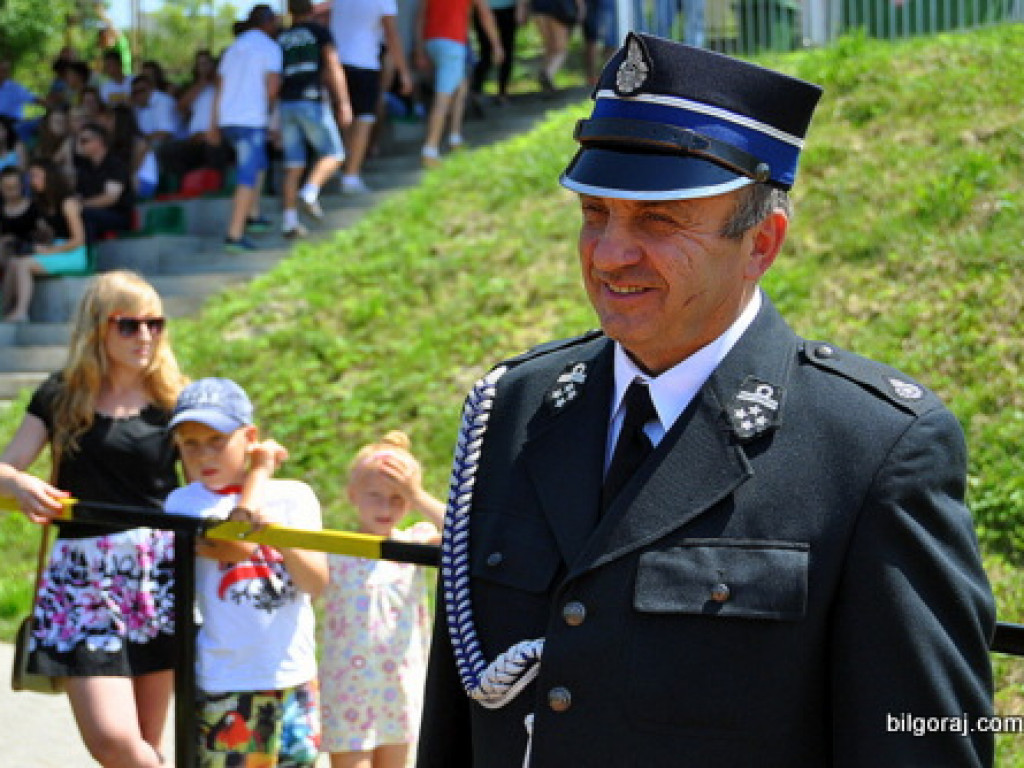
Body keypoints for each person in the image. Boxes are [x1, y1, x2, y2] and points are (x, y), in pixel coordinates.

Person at [416, 33, 996, 767]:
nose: (609, 253)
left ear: (762, 242)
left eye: (658, 221)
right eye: (596, 212)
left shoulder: (868, 451)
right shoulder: (518, 408)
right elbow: (454, 727)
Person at [0, 270, 185, 767]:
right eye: (129, 325)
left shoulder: (175, 400)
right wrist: (16, 483)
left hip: (157, 577)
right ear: (97, 328)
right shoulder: (62, 395)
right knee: (112, 739)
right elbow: (5, 466)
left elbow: (216, 476)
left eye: (155, 324)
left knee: (145, 747)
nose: (145, 336)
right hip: (83, 581)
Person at [164, 377, 328, 767]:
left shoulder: (295, 496)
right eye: (191, 444)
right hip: (227, 680)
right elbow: (238, 546)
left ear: (249, 436)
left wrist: (282, 539)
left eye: (217, 441)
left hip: (294, 674)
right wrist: (260, 475)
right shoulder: (185, 502)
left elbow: (316, 582)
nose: (205, 456)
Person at [320, 431, 444, 768]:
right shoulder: (334, 548)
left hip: (399, 686)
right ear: (352, 495)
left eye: (397, 498)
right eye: (374, 495)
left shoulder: (415, 541)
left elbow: (461, 532)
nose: (386, 507)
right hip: (347, 686)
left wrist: (417, 495)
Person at [209, 3, 283, 252]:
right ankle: (234, 234)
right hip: (250, 120)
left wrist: (213, 124)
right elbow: (272, 90)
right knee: (248, 174)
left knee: (260, 164)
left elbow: (219, 88)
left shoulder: (233, 49)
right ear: (269, 23)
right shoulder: (271, 48)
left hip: (228, 119)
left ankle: (253, 214)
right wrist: (273, 119)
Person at [277, 0, 353, 238]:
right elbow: (333, 64)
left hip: (286, 103)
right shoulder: (319, 32)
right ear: (310, 9)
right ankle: (310, 192)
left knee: (293, 165)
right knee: (335, 153)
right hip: (311, 100)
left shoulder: (281, 37)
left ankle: (289, 221)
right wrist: (343, 101)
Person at [330, 0, 414, 194]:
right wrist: (404, 72)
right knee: (364, 120)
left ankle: (339, 166)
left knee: (342, 118)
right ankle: (351, 176)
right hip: (364, 63)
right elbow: (392, 35)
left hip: (337, 65)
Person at [415, 0, 503, 167]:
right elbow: (485, 14)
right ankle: (430, 149)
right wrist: (496, 45)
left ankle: (454, 138)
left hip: (432, 41)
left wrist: (419, 49)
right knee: (443, 98)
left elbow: (420, 17)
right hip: (453, 43)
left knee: (461, 87)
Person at [2, 158, 89, 323]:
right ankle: (4, 310)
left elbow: (78, 240)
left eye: (36, 175)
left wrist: (48, 251)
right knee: (13, 262)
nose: (32, 180)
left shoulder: (67, 203)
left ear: (49, 176)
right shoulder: (44, 204)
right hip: (56, 248)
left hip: (73, 254)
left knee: (22, 264)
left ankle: (21, 312)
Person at [73, 121, 136, 241]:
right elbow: (78, 195)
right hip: (93, 212)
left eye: (84, 141)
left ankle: (86, 256)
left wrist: (80, 205)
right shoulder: (84, 168)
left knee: (83, 214)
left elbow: (110, 198)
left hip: (118, 215)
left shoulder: (115, 165)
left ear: (99, 141)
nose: (79, 145)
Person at [471, 0, 527, 105]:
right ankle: (475, 91)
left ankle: (502, 92)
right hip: (483, 8)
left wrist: (521, 7)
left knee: (507, 51)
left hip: (507, 8)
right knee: (486, 52)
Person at [530, 0, 582, 92]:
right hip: (558, 7)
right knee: (561, 49)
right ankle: (547, 73)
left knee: (549, 46)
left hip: (538, 7)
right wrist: (581, 7)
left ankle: (544, 74)